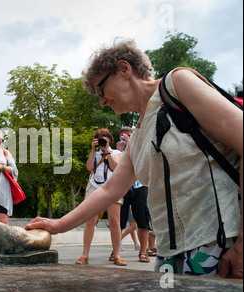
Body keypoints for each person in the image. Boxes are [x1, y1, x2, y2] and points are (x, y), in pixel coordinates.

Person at [25, 39, 243, 279]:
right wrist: (58, 226)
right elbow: (108, 190)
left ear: (124, 69)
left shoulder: (177, 84)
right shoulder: (137, 137)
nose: (102, 101)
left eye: (101, 89)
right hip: (170, 253)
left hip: (219, 240)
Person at [75, 128, 126, 266]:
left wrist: (107, 151)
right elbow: (89, 167)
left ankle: (116, 255)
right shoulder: (96, 154)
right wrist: (93, 150)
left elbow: (116, 168)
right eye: (100, 138)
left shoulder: (116, 153)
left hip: (112, 187)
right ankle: (85, 254)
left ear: (110, 139)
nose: (103, 139)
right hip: (95, 187)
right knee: (90, 220)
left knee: (114, 220)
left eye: (105, 137)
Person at [117, 126, 152, 263]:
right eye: (123, 136)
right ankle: (116, 252)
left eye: (129, 135)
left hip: (140, 186)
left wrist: (132, 145)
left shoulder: (142, 147)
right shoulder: (117, 152)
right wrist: (119, 152)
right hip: (123, 188)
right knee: (119, 221)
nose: (126, 138)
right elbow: (116, 169)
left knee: (143, 220)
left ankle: (143, 252)